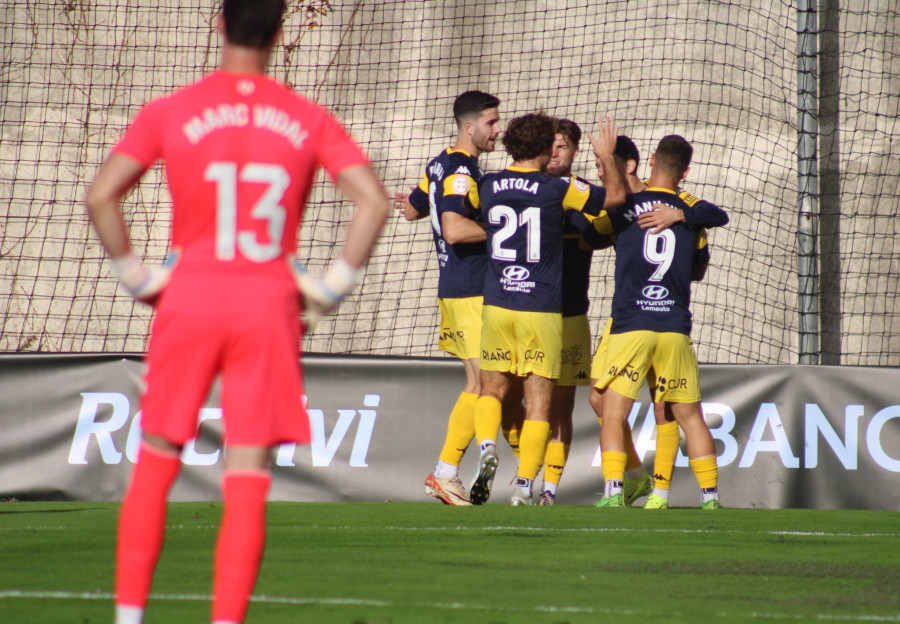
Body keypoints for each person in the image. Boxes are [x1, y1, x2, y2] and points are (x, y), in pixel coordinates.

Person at [84, 1, 390, 622]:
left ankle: (127, 618)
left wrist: (137, 276)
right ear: (280, 33)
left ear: (218, 25)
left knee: (159, 456)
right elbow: (374, 203)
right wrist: (329, 289)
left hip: (189, 298)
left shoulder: (172, 109)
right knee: (246, 474)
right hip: (268, 306)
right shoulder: (307, 118)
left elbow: (100, 196)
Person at [467, 112, 626, 505]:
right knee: (542, 405)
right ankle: (524, 487)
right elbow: (617, 199)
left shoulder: (486, 186)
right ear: (543, 149)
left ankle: (487, 446)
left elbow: (469, 207)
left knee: (491, 389)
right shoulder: (560, 190)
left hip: (498, 304)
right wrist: (606, 157)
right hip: (543, 309)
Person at [589, 134, 727, 509]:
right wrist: (682, 216)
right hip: (673, 326)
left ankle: (615, 492)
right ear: (685, 171)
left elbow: (590, 231)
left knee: (614, 412)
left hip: (632, 322)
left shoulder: (627, 205)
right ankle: (710, 498)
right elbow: (715, 227)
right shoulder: (690, 213)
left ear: (649, 160)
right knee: (688, 417)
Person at [395, 90, 501, 506]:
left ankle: (447, 473)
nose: (499, 129)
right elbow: (455, 230)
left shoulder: (440, 163)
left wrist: (418, 204)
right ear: (469, 127)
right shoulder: (459, 169)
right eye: (492, 123)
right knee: (486, 382)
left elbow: (412, 209)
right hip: (470, 287)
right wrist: (507, 234)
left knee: (479, 382)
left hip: (457, 288)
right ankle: (446, 471)